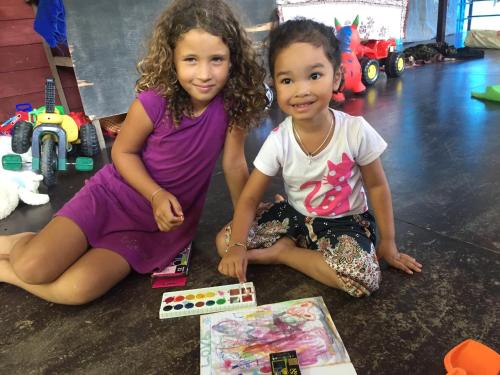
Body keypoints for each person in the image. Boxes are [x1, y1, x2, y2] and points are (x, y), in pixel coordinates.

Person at [0, 0, 267, 305]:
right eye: (191, 59)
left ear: (233, 60)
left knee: (76, 290)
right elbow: (123, 153)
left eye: (216, 59)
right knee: (33, 267)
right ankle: (20, 243)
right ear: (173, 59)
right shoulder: (153, 102)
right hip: (111, 199)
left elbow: (234, 164)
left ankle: (4, 271)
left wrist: (242, 226)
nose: (204, 74)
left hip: (160, 225)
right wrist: (155, 194)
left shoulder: (233, 107)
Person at [216, 18, 422, 297]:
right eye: (287, 80)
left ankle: (284, 254)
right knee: (224, 242)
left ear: (336, 77)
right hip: (296, 216)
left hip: (344, 223)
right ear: (275, 84)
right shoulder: (279, 138)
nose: (301, 90)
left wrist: (388, 241)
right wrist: (238, 247)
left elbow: (376, 186)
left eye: (314, 76)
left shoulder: (355, 130)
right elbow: (250, 198)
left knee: (364, 277)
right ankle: (298, 245)